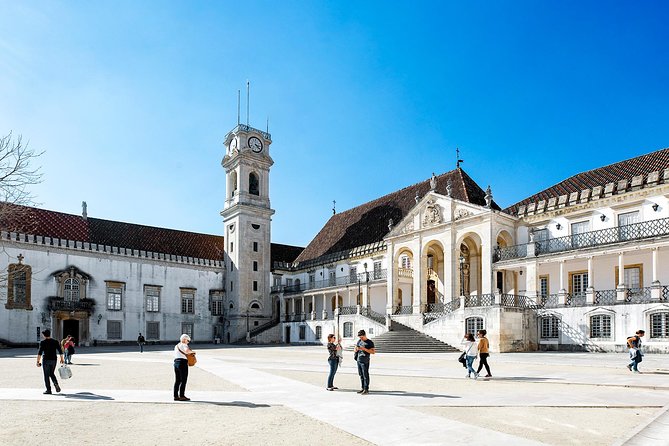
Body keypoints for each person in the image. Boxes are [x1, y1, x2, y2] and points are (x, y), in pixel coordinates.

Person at [36, 329, 64, 394]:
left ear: (44, 335)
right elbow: (60, 351)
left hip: (46, 360)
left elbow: (40, 353)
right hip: (54, 359)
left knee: (46, 375)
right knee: (51, 373)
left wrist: (37, 362)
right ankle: (55, 383)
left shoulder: (43, 342)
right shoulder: (55, 341)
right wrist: (62, 359)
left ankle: (48, 390)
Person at [174, 334, 195, 401]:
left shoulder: (176, 346)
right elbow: (187, 351)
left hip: (176, 363)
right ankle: (182, 396)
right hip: (182, 363)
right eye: (188, 340)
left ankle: (176, 396)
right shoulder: (184, 345)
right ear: (184, 339)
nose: (188, 342)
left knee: (177, 380)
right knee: (183, 380)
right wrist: (192, 352)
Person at [354, 329, 375, 394]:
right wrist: (355, 349)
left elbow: (373, 352)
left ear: (365, 335)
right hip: (358, 360)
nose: (361, 338)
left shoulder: (370, 342)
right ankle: (362, 388)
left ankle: (366, 389)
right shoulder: (359, 341)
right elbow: (355, 348)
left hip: (365, 360)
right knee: (361, 375)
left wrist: (364, 349)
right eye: (360, 337)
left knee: (365, 375)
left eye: (362, 337)